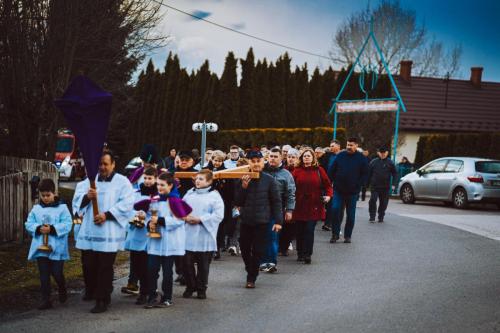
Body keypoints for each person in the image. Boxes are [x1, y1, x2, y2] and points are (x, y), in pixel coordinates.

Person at [73, 151, 135, 313]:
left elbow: (127, 203)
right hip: (90, 230)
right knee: (89, 264)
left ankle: (103, 299)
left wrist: (106, 215)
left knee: (104, 267)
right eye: (99, 164)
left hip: (109, 232)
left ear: (113, 164)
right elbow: (76, 205)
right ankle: (92, 289)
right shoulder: (88, 182)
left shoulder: (122, 182)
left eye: (105, 164)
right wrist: (87, 197)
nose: (102, 167)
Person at [234, 150, 283, 288]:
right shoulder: (241, 178)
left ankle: (251, 277)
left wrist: (279, 221)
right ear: (248, 163)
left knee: (257, 250)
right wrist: (243, 187)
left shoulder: (269, 180)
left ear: (263, 162)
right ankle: (250, 269)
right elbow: (238, 201)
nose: (256, 164)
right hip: (246, 220)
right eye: (253, 161)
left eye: (258, 161)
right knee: (244, 248)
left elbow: (276, 201)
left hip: (263, 221)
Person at [25, 179, 72, 310]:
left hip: (56, 247)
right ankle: (46, 300)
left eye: (48, 195)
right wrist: (38, 228)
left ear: (54, 192)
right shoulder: (36, 209)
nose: (45, 198)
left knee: (56, 273)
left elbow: (68, 224)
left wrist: (52, 229)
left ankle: (62, 288)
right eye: (43, 195)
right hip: (41, 247)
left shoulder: (62, 208)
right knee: (44, 275)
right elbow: (28, 223)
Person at [145, 172, 186, 308]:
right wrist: (148, 223)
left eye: (162, 185)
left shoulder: (176, 200)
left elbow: (180, 220)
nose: (159, 187)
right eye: (158, 184)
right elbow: (149, 215)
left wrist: (161, 220)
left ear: (170, 185)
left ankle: (167, 297)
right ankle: (151, 296)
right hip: (155, 241)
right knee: (151, 269)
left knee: (167, 272)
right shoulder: (154, 199)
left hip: (169, 242)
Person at [182, 170, 224, 299]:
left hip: (205, 234)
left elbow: (218, 215)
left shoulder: (215, 196)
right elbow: (180, 207)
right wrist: (184, 217)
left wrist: (201, 219)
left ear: (209, 181)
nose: (197, 181)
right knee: (186, 263)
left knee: (203, 265)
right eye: (197, 178)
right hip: (188, 233)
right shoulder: (189, 193)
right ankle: (190, 285)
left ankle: (201, 288)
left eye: (201, 179)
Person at [122, 166, 158, 305]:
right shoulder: (135, 193)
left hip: (149, 233)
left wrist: (147, 217)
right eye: (146, 178)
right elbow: (127, 208)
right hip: (136, 232)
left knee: (148, 266)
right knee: (137, 264)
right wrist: (135, 215)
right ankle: (143, 290)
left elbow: (158, 212)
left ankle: (146, 292)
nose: (147, 181)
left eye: (150, 178)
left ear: (155, 179)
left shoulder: (157, 195)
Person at [292, 148, 332, 264]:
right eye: (304, 156)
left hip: (314, 205)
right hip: (299, 205)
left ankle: (307, 254)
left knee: (309, 230)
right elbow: (290, 187)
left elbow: (328, 186)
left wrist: (328, 196)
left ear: (313, 158)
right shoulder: (296, 171)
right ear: (301, 158)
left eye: (309, 156)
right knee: (300, 230)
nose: (306, 158)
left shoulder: (319, 170)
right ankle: (300, 252)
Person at [261, 148, 295, 272]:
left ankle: (271, 262)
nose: (273, 159)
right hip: (260, 207)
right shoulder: (261, 171)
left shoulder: (286, 175)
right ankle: (262, 261)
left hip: (277, 209)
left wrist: (289, 210)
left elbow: (290, 193)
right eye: (271, 156)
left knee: (273, 236)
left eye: (275, 156)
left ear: (281, 158)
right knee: (261, 236)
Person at [328, 138, 368, 244]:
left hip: (352, 192)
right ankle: (335, 234)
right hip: (338, 190)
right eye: (347, 145)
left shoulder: (361, 158)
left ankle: (347, 235)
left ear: (356, 145)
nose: (349, 147)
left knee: (351, 215)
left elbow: (365, 174)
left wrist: (359, 185)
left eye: (351, 145)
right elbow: (332, 170)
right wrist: (329, 183)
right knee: (335, 209)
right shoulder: (340, 156)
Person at [367, 147, 397, 223]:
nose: (383, 154)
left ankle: (381, 216)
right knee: (373, 200)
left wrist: (394, 184)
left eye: (384, 152)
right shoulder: (373, 162)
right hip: (375, 186)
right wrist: (366, 184)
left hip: (385, 187)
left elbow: (395, 173)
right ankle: (372, 216)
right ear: (378, 153)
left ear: (387, 153)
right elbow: (368, 174)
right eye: (381, 153)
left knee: (384, 203)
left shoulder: (390, 162)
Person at [323, 140, 342, 231]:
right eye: (330, 146)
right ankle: (327, 223)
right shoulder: (328, 156)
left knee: (335, 205)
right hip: (328, 182)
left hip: (338, 183)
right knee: (328, 204)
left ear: (338, 146)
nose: (330, 148)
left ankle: (331, 223)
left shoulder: (342, 156)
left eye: (332, 146)